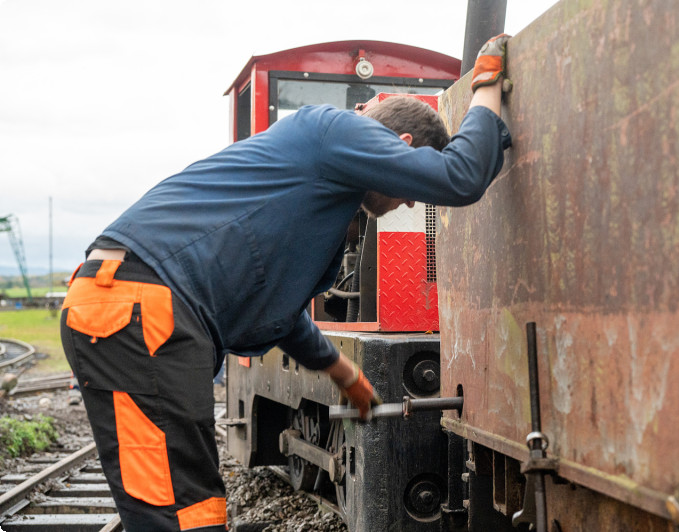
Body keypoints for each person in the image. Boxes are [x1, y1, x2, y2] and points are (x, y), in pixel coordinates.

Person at [60, 34, 512, 532]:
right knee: (179, 514)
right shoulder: (341, 131)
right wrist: (487, 87)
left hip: (134, 304)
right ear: (400, 149)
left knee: (181, 506)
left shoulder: (325, 186)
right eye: (410, 188)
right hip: (140, 307)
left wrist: (341, 371)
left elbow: (278, 312)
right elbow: (461, 179)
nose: (408, 203)